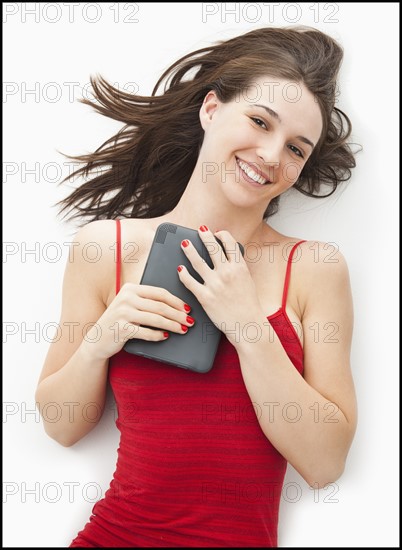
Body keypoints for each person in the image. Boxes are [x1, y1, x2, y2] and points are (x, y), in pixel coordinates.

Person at [35, 25, 359, 547]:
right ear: (211, 109)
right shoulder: (107, 248)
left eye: (297, 149)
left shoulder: (315, 268)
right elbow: (61, 426)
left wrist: (248, 326)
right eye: (259, 121)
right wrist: (100, 341)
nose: (273, 156)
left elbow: (324, 462)